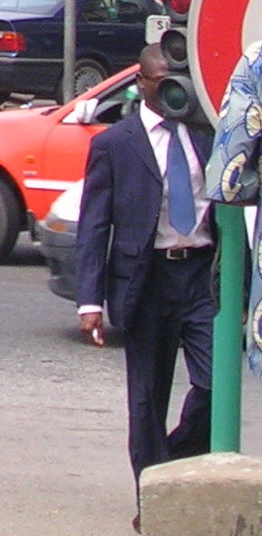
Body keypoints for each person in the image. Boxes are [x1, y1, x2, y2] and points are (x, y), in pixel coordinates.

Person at [77, 44, 214, 499]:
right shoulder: (116, 145)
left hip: (200, 276)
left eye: (180, 77)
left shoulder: (204, 134)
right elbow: (95, 226)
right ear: (143, 84)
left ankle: (170, 465)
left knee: (215, 385)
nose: (175, 86)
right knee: (147, 401)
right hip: (147, 279)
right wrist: (89, 301)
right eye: (164, 80)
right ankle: (153, 498)